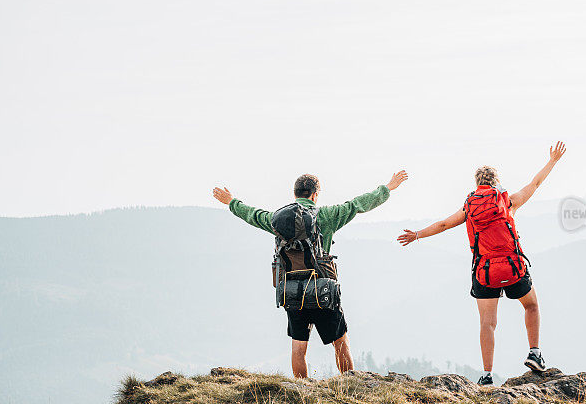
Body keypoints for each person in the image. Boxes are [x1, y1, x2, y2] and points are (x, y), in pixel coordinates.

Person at [397, 142, 566, 385]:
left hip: (485, 272)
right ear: (496, 183)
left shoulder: (470, 207)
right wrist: (552, 161)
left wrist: (417, 234)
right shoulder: (507, 202)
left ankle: (487, 375)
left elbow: (444, 224)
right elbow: (535, 184)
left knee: (488, 323)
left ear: (477, 185)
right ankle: (535, 353)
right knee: (531, 306)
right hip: (512, 266)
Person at [213, 171, 408, 379]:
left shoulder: (277, 220)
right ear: (315, 195)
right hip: (322, 288)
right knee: (341, 343)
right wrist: (387, 188)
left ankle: (301, 392)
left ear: (295, 194)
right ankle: (350, 386)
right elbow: (357, 204)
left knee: (298, 347)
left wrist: (231, 201)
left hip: (291, 290)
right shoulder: (326, 216)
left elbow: (252, 214)